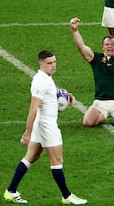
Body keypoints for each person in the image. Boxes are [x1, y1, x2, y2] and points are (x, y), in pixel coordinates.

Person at [3, 50, 87, 205]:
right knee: (57, 160)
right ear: (41, 64)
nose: (53, 66)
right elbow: (33, 107)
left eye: (55, 62)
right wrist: (27, 133)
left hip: (41, 124)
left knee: (31, 157)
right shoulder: (41, 81)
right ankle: (67, 196)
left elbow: (50, 94)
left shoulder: (45, 78)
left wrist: (67, 96)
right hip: (47, 126)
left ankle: (10, 191)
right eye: (49, 63)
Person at [70, 16, 114, 127]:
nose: (110, 47)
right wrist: (75, 30)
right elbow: (81, 47)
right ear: (103, 47)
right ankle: (104, 115)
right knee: (87, 122)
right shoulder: (96, 59)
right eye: (107, 44)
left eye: (113, 44)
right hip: (100, 101)